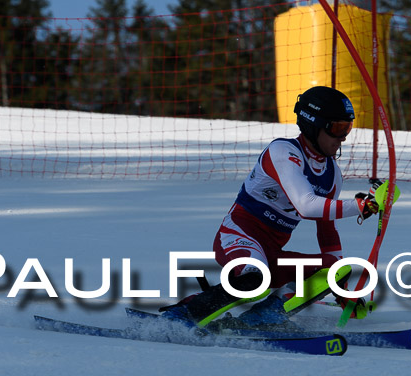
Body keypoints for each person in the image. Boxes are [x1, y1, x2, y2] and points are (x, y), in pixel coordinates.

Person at [162, 86, 380, 330]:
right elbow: (306, 205)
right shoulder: (283, 152)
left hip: (273, 253)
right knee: (255, 278)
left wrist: (340, 287)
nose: (343, 137)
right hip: (240, 236)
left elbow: (327, 231)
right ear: (313, 124)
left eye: (347, 128)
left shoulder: (332, 175)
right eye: (338, 128)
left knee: (337, 269)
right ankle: (184, 314)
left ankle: (265, 314)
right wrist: (359, 206)